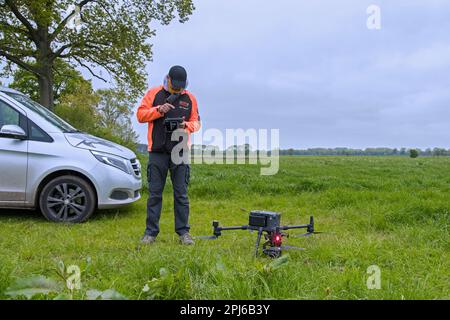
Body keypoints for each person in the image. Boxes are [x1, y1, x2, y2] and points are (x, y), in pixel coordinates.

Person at [136, 65, 201, 245]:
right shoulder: (154, 93)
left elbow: (197, 123)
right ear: (168, 79)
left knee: (181, 194)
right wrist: (158, 110)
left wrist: (185, 126)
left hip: (179, 152)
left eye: (181, 86)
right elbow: (140, 115)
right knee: (155, 194)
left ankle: (183, 233)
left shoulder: (190, 98)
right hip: (157, 152)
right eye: (175, 85)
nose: (177, 89)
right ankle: (150, 234)